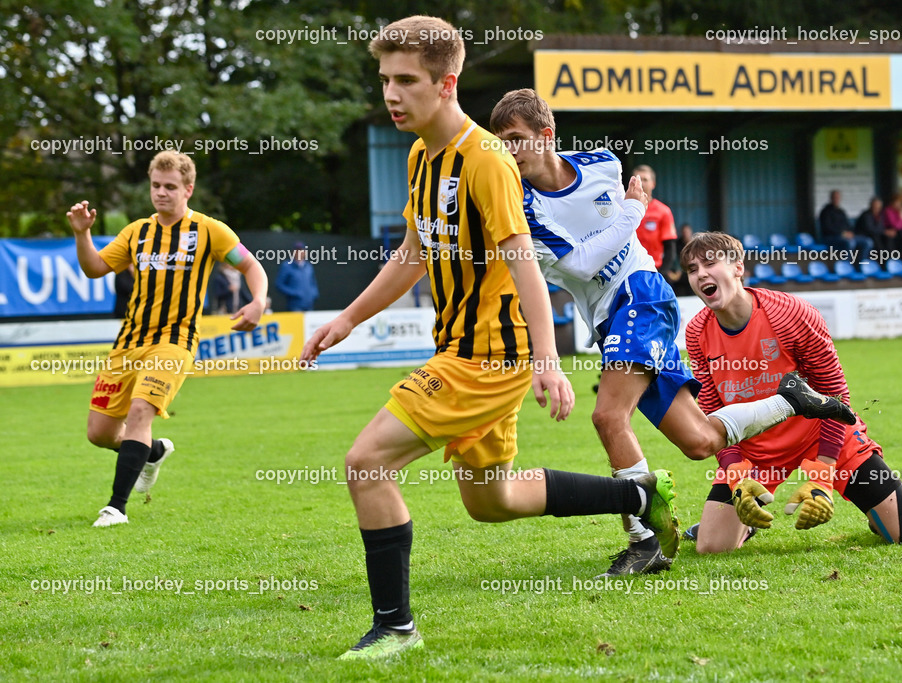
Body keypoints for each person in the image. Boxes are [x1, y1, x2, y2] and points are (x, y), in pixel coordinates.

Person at [301, 15, 681, 661]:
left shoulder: (486, 161)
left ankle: (395, 627)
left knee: (366, 464)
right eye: (385, 79)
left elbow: (525, 263)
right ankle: (636, 492)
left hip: (486, 358)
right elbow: (413, 253)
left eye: (406, 80)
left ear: (446, 83)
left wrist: (547, 361)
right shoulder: (423, 156)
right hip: (460, 351)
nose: (391, 94)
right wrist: (348, 318)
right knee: (494, 502)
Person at [489, 88, 857, 577]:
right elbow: (580, 262)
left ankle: (645, 541)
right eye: (500, 142)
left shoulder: (601, 164)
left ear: (546, 135)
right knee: (699, 441)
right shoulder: (521, 207)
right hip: (606, 317)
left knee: (607, 416)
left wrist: (630, 214)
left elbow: (597, 249)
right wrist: (631, 214)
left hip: (640, 294)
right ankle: (791, 399)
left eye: (516, 138)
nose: (508, 151)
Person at [678, 231, 902, 553]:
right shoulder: (697, 331)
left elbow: (835, 395)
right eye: (693, 269)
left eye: (710, 263)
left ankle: (885, 517)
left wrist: (821, 475)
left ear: (738, 267)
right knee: (711, 548)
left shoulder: (790, 313)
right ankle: (738, 525)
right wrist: (736, 473)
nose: (701, 274)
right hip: (755, 450)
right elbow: (711, 410)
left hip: (820, 435)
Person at [67, 150, 268, 528]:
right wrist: (83, 234)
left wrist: (257, 300)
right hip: (128, 342)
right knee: (100, 433)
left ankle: (116, 508)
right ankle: (153, 452)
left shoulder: (210, 230)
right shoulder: (136, 232)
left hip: (175, 341)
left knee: (141, 412)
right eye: (156, 186)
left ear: (188, 189)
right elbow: (94, 268)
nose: (161, 193)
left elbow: (250, 264)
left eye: (170, 187)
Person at [631, 165, 680, 283]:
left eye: (645, 179)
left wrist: (661, 274)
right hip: (628, 271)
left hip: (654, 271)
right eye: (638, 179)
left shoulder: (663, 211)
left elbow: (670, 247)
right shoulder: (623, 208)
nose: (641, 183)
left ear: (653, 183)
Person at [819, 189, 871, 260]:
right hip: (831, 238)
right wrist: (842, 233)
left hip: (845, 236)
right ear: (831, 198)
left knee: (867, 242)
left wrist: (851, 233)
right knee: (850, 242)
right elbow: (827, 228)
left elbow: (848, 226)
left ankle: (862, 264)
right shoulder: (825, 212)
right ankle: (846, 265)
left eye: (838, 198)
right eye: (835, 197)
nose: (836, 199)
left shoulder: (841, 212)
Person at [275, 242, 319, 311]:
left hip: (309, 305)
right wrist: (294, 293)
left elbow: (313, 282)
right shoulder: (286, 266)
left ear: (304, 252)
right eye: (297, 250)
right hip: (294, 306)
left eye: (301, 250)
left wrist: (313, 294)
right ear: (293, 252)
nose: (299, 252)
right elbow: (279, 284)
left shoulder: (308, 266)